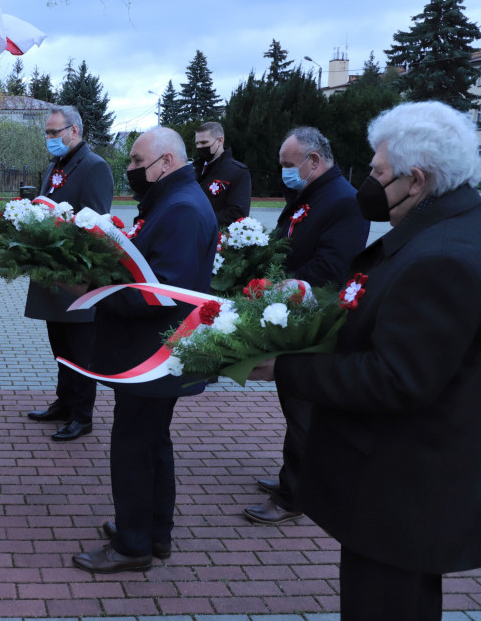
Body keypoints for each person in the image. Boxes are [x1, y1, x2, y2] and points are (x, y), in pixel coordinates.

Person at [249, 101, 481, 620]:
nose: (369, 184)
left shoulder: (440, 255)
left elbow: (395, 378)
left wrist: (284, 367)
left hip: (400, 491)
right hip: (412, 487)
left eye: (377, 172)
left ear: (415, 179)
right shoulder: (453, 224)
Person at [72, 128, 217, 573]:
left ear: (167, 162)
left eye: (137, 162)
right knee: (152, 444)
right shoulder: (173, 201)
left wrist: (94, 285)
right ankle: (153, 533)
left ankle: (133, 545)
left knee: (134, 447)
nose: (131, 170)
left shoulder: (182, 209)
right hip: (152, 354)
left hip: (152, 356)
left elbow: (162, 294)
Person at [244, 127, 369, 525]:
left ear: (313, 161)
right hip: (293, 313)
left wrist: (278, 285)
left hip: (313, 320)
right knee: (294, 401)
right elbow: (287, 240)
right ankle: (294, 476)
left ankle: (293, 494)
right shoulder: (310, 194)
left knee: (304, 410)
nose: (283, 172)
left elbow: (331, 268)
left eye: (287, 165)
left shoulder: (344, 201)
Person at [24, 105, 114, 441]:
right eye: (47, 132)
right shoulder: (55, 165)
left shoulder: (94, 167)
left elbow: (96, 223)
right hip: (51, 271)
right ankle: (64, 402)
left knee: (80, 351)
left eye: (53, 132)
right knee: (60, 347)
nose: (49, 138)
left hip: (76, 276)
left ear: (73, 131)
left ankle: (82, 415)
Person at [192, 121, 251, 226]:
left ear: (220, 140)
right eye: (197, 143)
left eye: (204, 143)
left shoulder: (237, 172)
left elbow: (237, 214)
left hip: (217, 236)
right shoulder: (193, 170)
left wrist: (200, 219)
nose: (200, 147)